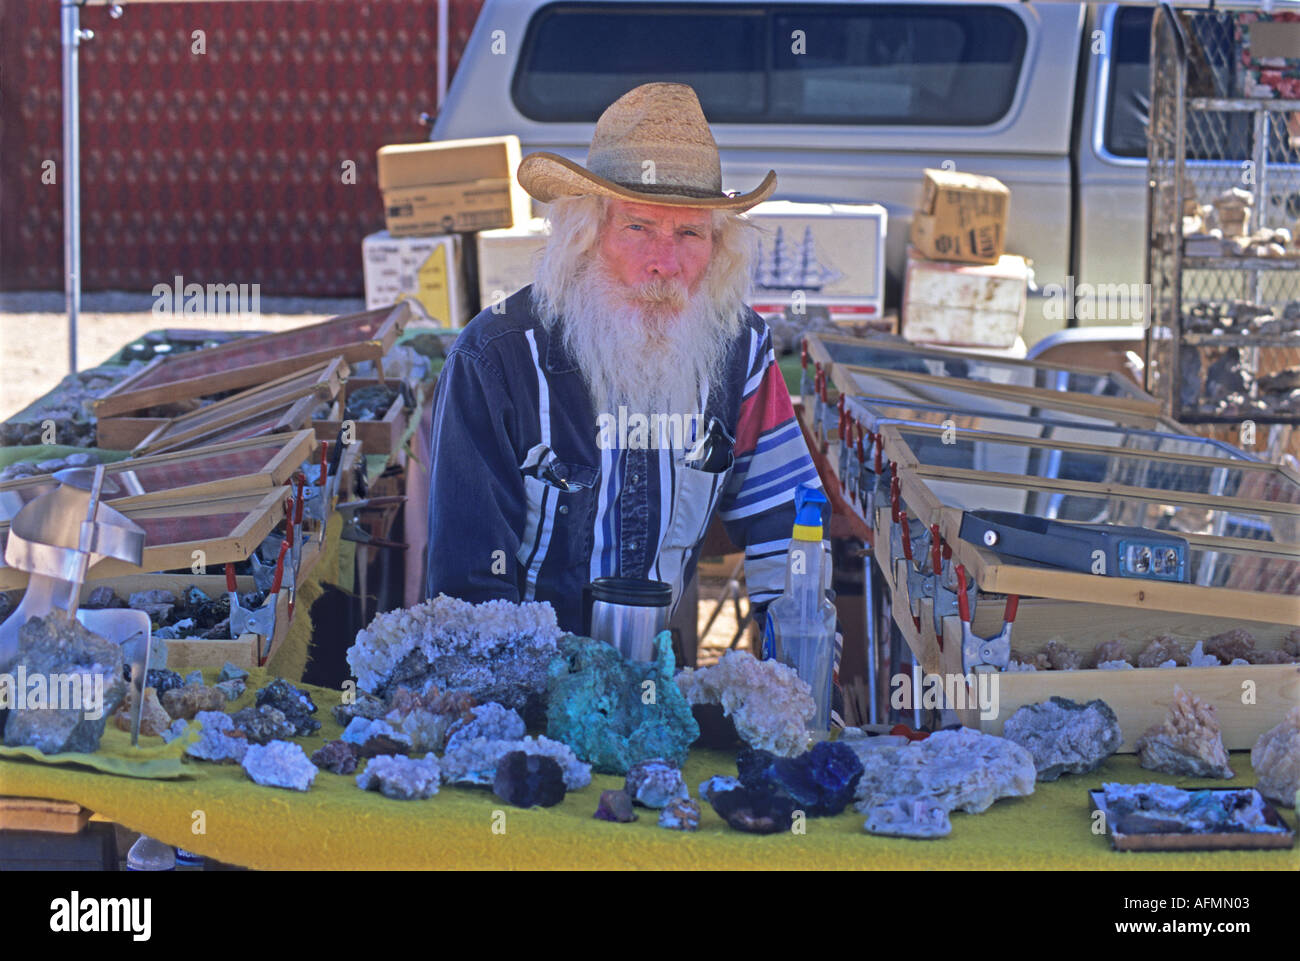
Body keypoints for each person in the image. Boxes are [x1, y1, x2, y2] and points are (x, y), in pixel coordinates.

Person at [424, 82, 823, 639]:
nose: (665, 262)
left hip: (659, 689)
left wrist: (796, 659)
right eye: (638, 227)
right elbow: (468, 587)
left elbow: (786, 525)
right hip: (527, 692)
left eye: (689, 233)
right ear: (585, 235)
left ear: (718, 247)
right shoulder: (496, 358)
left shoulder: (739, 347)